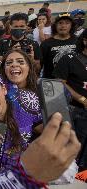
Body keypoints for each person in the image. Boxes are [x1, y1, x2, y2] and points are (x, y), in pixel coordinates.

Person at [53, 29, 87, 171]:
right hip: (76, 112)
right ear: (85, 40)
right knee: (73, 151)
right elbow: (60, 82)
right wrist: (81, 99)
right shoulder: (69, 58)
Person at [40, 13, 77, 79]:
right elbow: (39, 66)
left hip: (75, 83)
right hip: (53, 83)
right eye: (60, 23)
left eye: (67, 23)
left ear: (72, 25)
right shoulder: (46, 44)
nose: (63, 26)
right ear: (55, 25)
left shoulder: (78, 41)